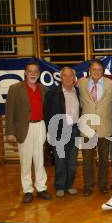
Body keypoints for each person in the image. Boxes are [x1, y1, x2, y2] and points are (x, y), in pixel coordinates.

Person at [5, 61, 52, 203]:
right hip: (23, 128)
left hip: (40, 126)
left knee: (40, 159)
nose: (33, 74)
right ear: (25, 72)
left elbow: (47, 111)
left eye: (36, 71)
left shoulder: (43, 89)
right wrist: (10, 132)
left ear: (39, 73)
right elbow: (9, 111)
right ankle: (27, 190)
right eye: (30, 71)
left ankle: (41, 188)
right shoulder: (15, 88)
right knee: (25, 161)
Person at [78, 59, 112, 196]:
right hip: (87, 127)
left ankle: (103, 184)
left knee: (104, 159)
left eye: (99, 69)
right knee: (87, 160)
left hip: (104, 127)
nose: (96, 72)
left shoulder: (109, 83)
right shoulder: (81, 83)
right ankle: (88, 186)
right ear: (89, 70)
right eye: (94, 69)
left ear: (103, 71)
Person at [44, 67, 80, 197]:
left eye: (71, 76)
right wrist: (49, 132)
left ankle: (69, 185)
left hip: (74, 129)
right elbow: (47, 113)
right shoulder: (52, 93)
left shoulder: (78, 91)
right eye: (65, 76)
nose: (68, 78)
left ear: (74, 78)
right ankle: (59, 186)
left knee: (72, 161)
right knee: (60, 160)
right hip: (58, 129)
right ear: (61, 77)